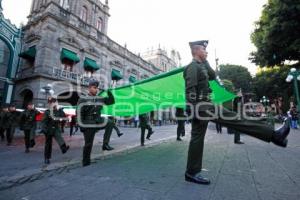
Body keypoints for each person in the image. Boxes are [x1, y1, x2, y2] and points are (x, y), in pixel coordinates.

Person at [184, 40, 290, 185]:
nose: (206, 51)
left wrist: (205, 60)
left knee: (197, 139)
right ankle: (274, 135)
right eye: (204, 49)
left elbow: (213, 75)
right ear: (196, 51)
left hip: (203, 106)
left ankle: (191, 172)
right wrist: (193, 109)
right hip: (202, 107)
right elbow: (190, 90)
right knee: (235, 119)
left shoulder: (201, 66)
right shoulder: (192, 67)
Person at [77, 79, 115, 167]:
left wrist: (108, 91)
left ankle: (105, 144)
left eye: (97, 88)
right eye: (94, 87)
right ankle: (86, 162)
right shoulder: (83, 99)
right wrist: (81, 126)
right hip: (88, 123)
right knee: (88, 144)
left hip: (98, 120)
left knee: (110, 123)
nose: (96, 89)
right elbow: (79, 114)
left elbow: (111, 101)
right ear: (89, 88)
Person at [41, 97, 70, 164]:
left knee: (59, 138)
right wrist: (44, 129)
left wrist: (61, 111)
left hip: (56, 128)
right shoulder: (47, 112)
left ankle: (64, 149)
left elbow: (64, 118)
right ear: (49, 104)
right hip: (48, 129)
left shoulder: (59, 111)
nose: (53, 103)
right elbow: (43, 121)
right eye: (51, 102)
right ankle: (47, 158)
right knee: (48, 145)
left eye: (54, 102)